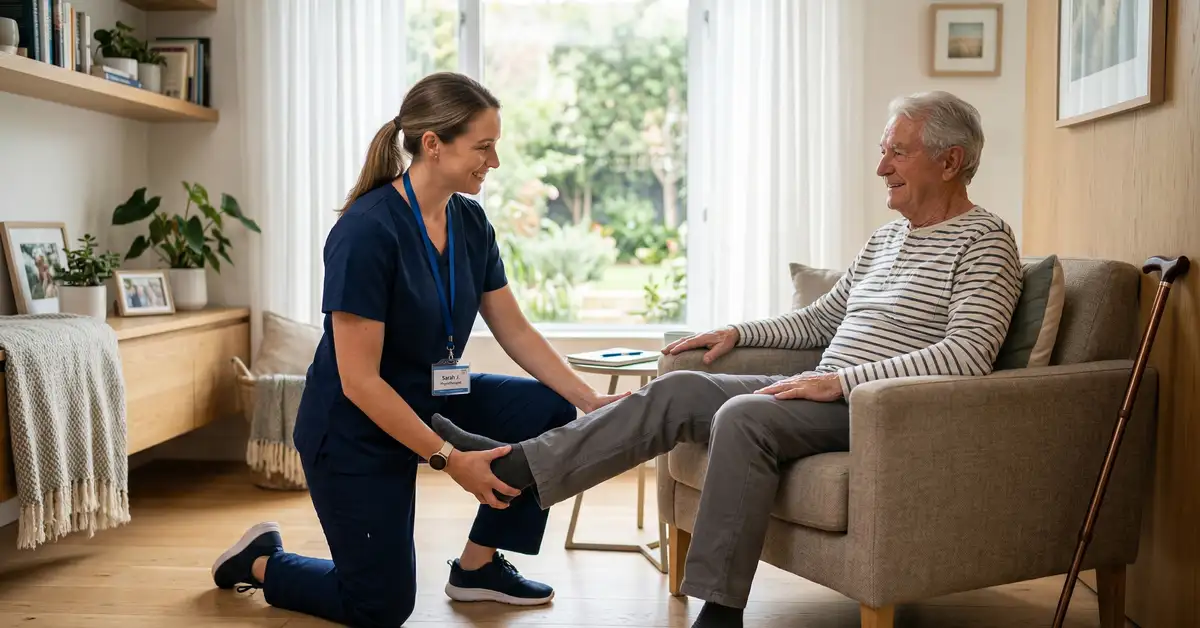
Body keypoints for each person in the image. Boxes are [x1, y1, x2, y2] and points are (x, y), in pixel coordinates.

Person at [428, 90, 1025, 628]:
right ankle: (516, 470)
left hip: (876, 408)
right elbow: (822, 319)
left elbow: (967, 356)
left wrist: (841, 382)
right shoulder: (887, 238)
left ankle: (720, 612)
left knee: (742, 414)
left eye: (898, 152)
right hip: (821, 388)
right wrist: (737, 332)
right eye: (883, 150)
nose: (881, 167)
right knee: (678, 389)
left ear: (950, 162)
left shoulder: (986, 241)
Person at [208, 72, 629, 628]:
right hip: (355, 423)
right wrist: (450, 460)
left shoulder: (470, 220)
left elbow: (515, 329)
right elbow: (359, 382)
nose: (494, 162)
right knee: (379, 607)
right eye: (483, 147)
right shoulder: (366, 231)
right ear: (433, 144)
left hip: (433, 393)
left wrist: (587, 399)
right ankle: (263, 560)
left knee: (549, 410)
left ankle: (477, 569)